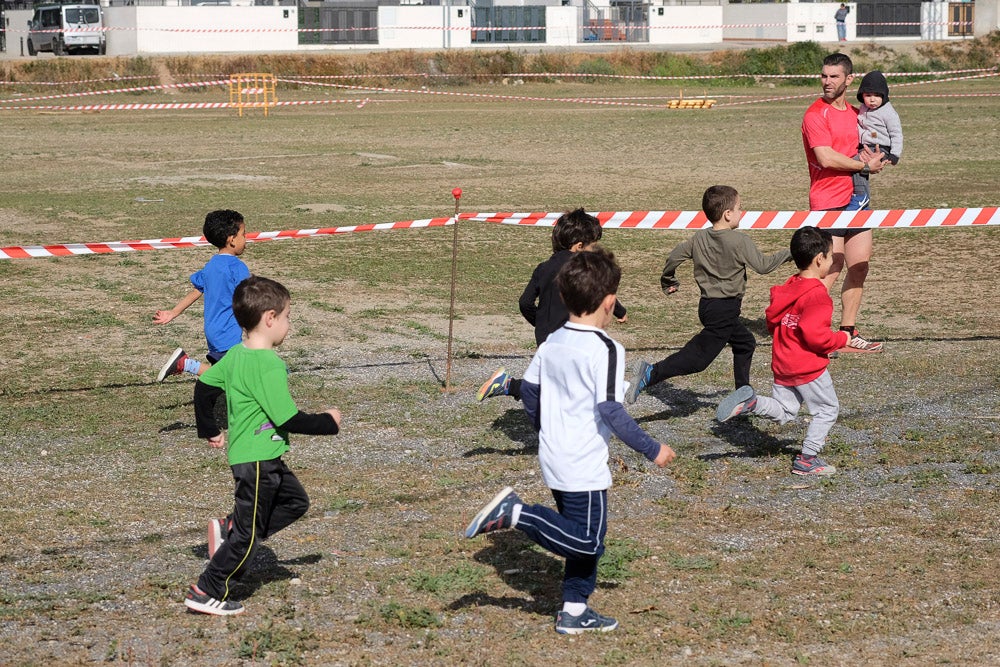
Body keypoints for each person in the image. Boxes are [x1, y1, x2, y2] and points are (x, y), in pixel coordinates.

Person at [465, 248, 676, 634]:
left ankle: (574, 610)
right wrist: (652, 448)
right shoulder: (607, 348)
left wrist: (545, 430)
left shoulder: (553, 341)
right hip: (582, 461)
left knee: (577, 530)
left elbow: (528, 390)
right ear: (610, 303)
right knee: (590, 541)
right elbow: (611, 411)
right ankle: (516, 514)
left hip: (554, 453)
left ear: (563, 298)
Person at [183, 276, 342, 616]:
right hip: (257, 462)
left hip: (261, 457)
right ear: (269, 319)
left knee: (296, 502)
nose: (289, 325)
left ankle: (231, 529)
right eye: (287, 317)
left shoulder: (236, 356)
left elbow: (204, 386)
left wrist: (209, 429)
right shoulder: (269, 364)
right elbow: (287, 419)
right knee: (247, 535)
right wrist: (329, 422)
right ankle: (207, 590)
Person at [625, 185, 791, 404]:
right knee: (698, 359)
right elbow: (763, 266)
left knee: (745, 343)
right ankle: (651, 373)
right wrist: (792, 252)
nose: (742, 212)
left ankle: (743, 397)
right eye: (739, 208)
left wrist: (668, 280)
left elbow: (675, 256)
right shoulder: (739, 241)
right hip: (725, 309)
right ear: (728, 214)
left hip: (708, 307)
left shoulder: (699, 238)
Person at [716, 226, 850, 477]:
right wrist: (841, 338)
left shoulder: (789, 287)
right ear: (819, 259)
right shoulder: (818, 295)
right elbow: (816, 337)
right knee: (827, 410)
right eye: (831, 257)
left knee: (786, 411)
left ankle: (752, 403)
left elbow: (771, 320)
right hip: (807, 367)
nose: (832, 262)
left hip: (783, 363)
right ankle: (808, 458)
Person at [476, 208, 626, 402]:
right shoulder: (581, 269)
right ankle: (508, 385)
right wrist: (620, 311)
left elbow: (525, 302)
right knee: (564, 386)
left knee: (557, 385)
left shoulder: (543, 268)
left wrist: (539, 321)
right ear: (579, 246)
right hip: (569, 337)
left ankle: (509, 386)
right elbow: (601, 291)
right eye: (593, 246)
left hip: (545, 336)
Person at [801, 52, 886, 353]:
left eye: (833, 76)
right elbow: (825, 157)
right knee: (829, 270)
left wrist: (879, 157)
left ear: (849, 80)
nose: (826, 82)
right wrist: (863, 166)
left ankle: (847, 333)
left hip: (859, 201)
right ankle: (813, 335)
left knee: (860, 266)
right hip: (828, 201)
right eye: (824, 76)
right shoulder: (814, 115)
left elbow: (870, 145)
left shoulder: (856, 113)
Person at [154, 210, 251, 381]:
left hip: (213, 330)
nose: (246, 238)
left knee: (224, 374)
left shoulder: (211, 265)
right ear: (231, 239)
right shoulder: (237, 268)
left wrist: (173, 312)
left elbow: (197, 290)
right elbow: (250, 298)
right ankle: (185, 364)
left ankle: (189, 368)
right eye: (243, 234)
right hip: (227, 333)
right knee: (231, 377)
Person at [850, 70, 903, 209]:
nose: (872, 99)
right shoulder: (863, 108)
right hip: (866, 146)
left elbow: (896, 133)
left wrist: (895, 154)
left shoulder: (888, 112)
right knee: (854, 163)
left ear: (884, 96)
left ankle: (861, 196)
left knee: (856, 164)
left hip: (881, 148)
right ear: (862, 95)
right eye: (868, 95)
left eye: (877, 95)